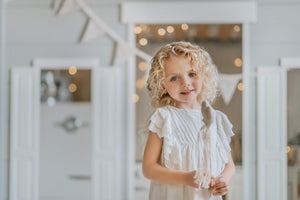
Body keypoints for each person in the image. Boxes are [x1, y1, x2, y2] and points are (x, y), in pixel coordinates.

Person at [142, 41, 235, 200]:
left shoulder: (217, 119)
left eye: (192, 74)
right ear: (162, 84)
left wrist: (224, 180)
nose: (185, 83)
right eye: (174, 78)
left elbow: (229, 165)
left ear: (204, 76)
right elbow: (148, 169)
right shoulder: (164, 117)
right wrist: (185, 178)